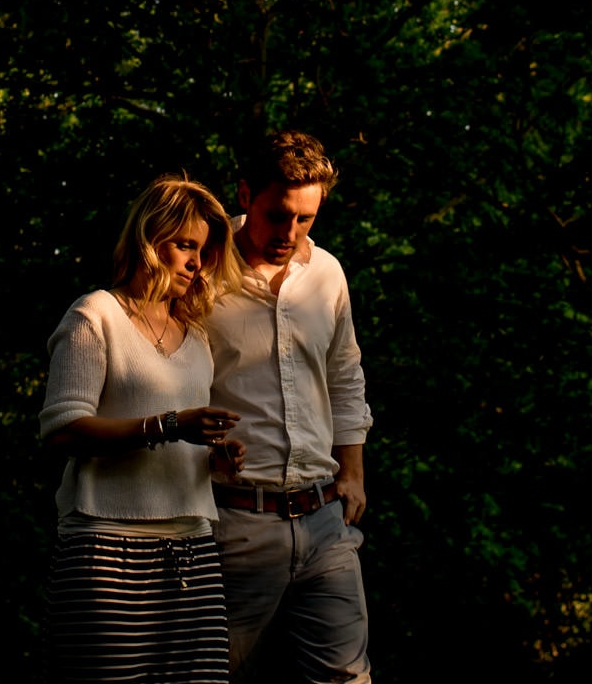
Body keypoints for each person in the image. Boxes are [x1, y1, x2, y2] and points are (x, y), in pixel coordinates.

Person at [40, 175, 253, 682]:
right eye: (185, 245)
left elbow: (177, 441)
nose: (196, 262)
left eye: (202, 251)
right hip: (106, 552)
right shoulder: (95, 316)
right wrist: (170, 425)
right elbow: (63, 430)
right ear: (148, 237)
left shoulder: (197, 338)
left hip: (193, 551)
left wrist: (217, 459)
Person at [207, 132, 373, 682]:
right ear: (246, 193)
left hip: (325, 519)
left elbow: (344, 374)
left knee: (347, 678)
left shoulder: (327, 274)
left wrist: (353, 471)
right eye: (279, 215)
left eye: (306, 218)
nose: (291, 233)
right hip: (234, 522)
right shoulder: (201, 270)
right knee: (215, 674)